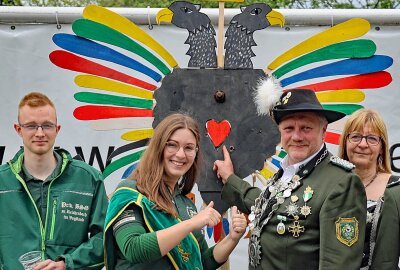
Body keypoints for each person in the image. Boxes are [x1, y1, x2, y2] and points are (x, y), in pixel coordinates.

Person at [214, 88, 367, 269]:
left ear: (323, 130)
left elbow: (338, 265)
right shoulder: (287, 172)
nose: (296, 136)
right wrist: (230, 179)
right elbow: (270, 207)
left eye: (306, 128)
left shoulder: (342, 183)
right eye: (289, 128)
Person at [104, 113, 247, 269]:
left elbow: (201, 262)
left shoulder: (185, 203)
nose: (180, 154)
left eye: (189, 148)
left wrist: (232, 238)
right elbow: (133, 248)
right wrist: (191, 224)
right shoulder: (130, 192)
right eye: (172, 145)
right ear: (158, 146)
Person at [0, 92, 108, 269]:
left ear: (57, 129)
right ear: (18, 129)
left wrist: (67, 264)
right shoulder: (2, 181)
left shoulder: (88, 179)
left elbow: (105, 237)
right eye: (31, 126)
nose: (40, 133)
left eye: (47, 126)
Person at [338, 109, 400, 269]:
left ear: (382, 147)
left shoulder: (396, 189)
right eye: (356, 136)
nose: (363, 144)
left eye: (372, 138)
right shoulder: (330, 184)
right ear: (346, 142)